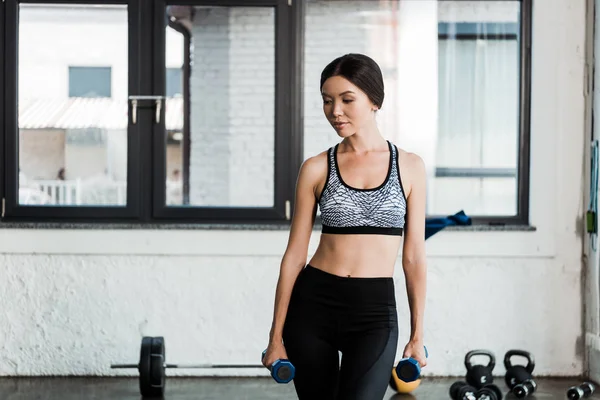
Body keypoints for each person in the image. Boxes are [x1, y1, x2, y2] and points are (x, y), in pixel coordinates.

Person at [262, 53, 428, 400]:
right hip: (313, 307)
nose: (335, 111)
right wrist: (275, 338)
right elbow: (294, 257)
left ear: (374, 101)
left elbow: (413, 257)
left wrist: (417, 334)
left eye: (346, 99)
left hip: (374, 312)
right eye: (327, 100)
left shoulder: (410, 167)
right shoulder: (316, 168)